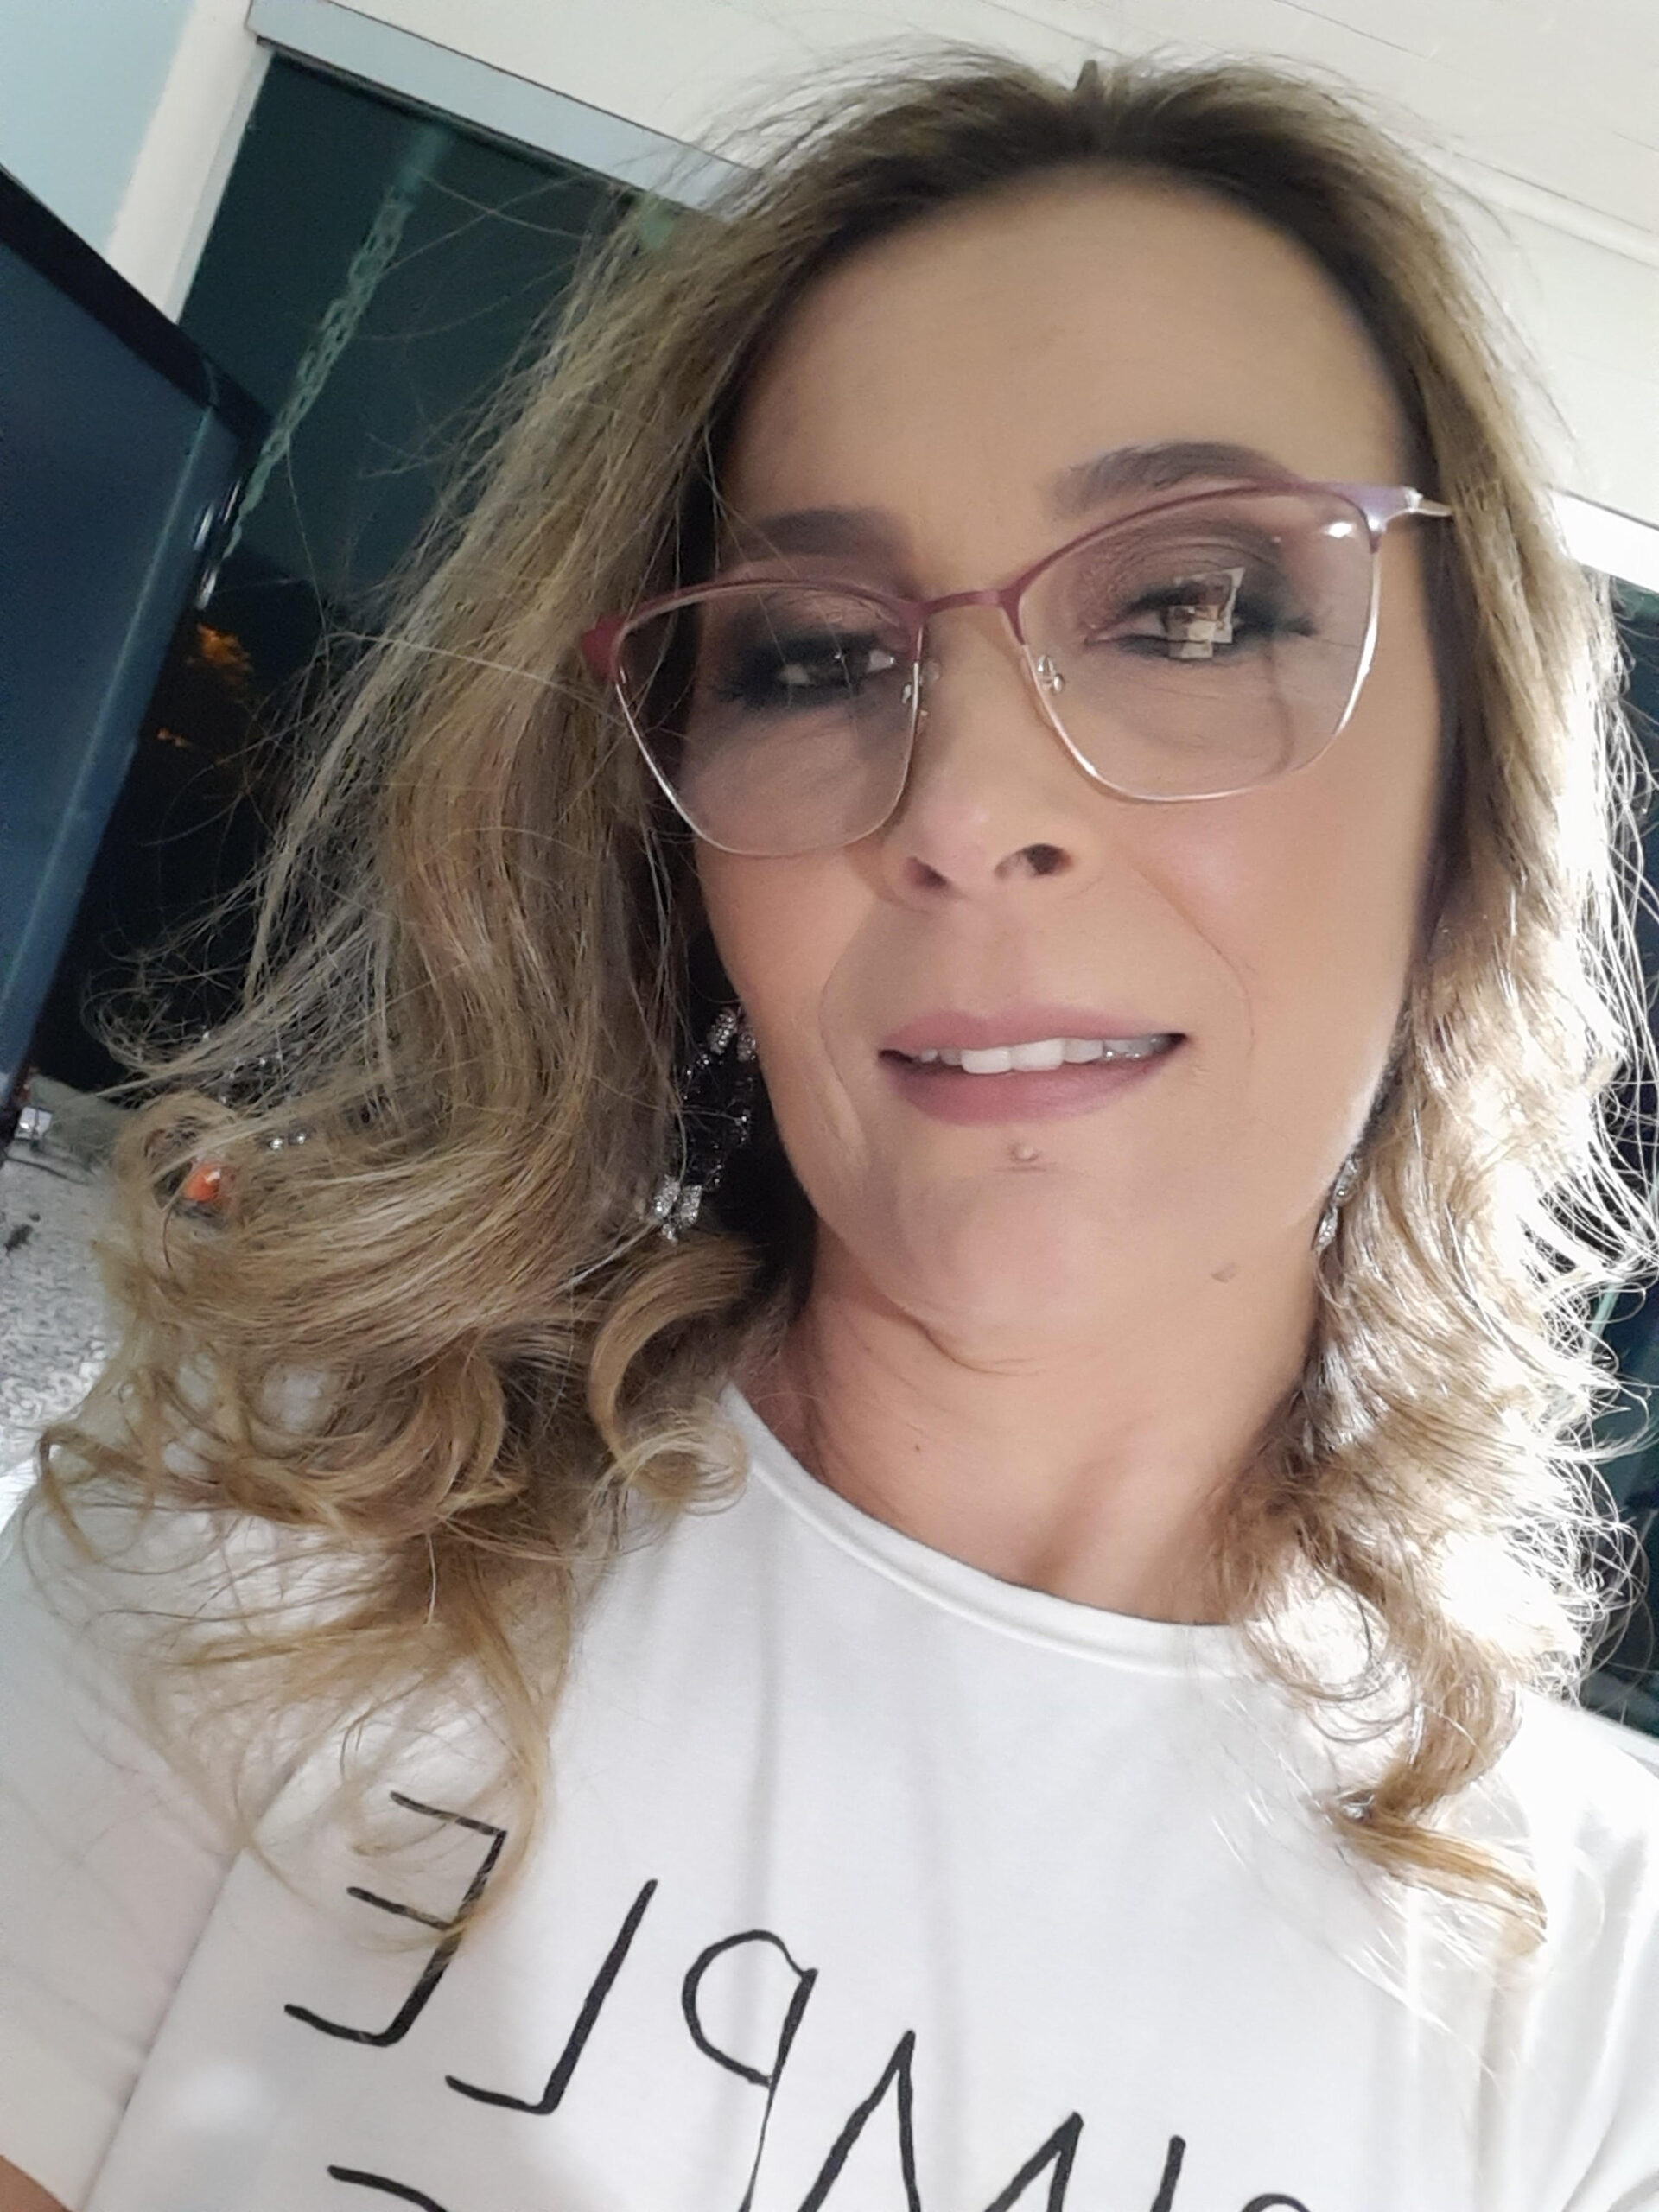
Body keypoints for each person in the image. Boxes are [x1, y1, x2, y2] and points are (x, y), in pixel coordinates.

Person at [3, 42, 1658, 2212]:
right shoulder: (266, 1525)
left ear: (1475, 793)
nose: (963, 806)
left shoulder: (1601, 2003)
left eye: (1190, 611)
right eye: (810, 655)